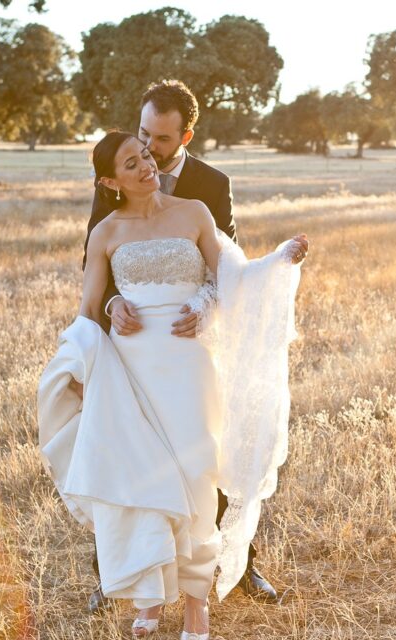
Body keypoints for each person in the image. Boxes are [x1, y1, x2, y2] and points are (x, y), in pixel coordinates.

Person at [38, 131, 307, 640]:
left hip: (188, 365)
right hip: (130, 369)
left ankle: (196, 598)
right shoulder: (105, 232)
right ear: (108, 181)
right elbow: (90, 306)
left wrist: (277, 262)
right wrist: (114, 309)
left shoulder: (195, 213)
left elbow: (233, 278)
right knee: (142, 479)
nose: (146, 168)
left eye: (146, 158)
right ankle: (149, 594)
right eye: (131, 164)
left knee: (193, 475)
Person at [82, 80, 283, 610]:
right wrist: (110, 306)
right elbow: (97, 263)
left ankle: (233, 567)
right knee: (128, 450)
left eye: (160, 140)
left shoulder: (210, 187)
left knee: (203, 452)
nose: (148, 150)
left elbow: (228, 265)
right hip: (132, 346)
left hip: (189, 342)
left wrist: (208, 306)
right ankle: (118, 573)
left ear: (186, 134)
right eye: (143, 134)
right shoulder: (117, 174)